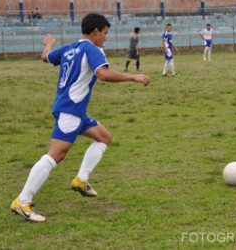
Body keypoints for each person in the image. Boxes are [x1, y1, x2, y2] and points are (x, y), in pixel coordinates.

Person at [10, 13, 150, 222]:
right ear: (96, 31)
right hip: (70, 110)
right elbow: (103, 74)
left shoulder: (70, 48)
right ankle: (23, 200)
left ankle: (81, 180)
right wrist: (133, 76)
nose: (105, 37)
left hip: (72, 109)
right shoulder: (92, 49)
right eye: (104, 33)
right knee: (55, 155)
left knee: (104, 137)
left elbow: (45, 57)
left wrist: (48, 44)